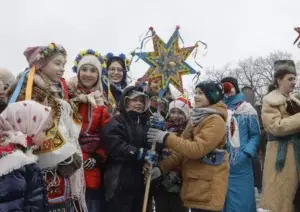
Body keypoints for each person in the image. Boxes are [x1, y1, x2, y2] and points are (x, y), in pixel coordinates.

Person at [8, 43, 87, 212]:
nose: (62, 69)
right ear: (42, 64)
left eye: (63, 65)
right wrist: (64, 156)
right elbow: (35, 130)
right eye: (57, 63)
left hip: (55, 170)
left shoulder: (50, 91)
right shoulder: (30, 92)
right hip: (41, 168)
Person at [147, 81, 229, 212]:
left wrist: (166, 137)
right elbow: (181, 152)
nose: (196, 96)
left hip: (208, 185)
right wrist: (161, 168)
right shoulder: (197, 119)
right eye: (195, 93)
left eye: (201, 93)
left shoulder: (215, 120)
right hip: (196, 184)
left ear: (212, 95)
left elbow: (197, 149)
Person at [68, 49, 110, 212]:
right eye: (84, 69)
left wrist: (98, 157)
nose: (88, 74)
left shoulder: (101, 103)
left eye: (93, 71)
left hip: (90, 168)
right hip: (68, 165)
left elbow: (106, 135)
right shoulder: (66, 96)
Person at [258, 60, 300, 212]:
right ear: (279, 80)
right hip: (281, 156)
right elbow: (275, 127)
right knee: (281, 200)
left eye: (295, 78)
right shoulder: (270, 101)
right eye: (290, 79)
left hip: (296, 153)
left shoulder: (294, 100)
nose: (294, 82)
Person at [101, 86, 151, 212]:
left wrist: (151, 152)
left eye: (141, 101)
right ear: (126, 101)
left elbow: (148, 144)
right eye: (135, 100)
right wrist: (136, 152)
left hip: (137, 176)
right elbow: (113, 143)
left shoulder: (144, 123)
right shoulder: (117, 120)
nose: (139, 103)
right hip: (119, 175)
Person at [0, 100, 53, 212]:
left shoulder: (18, 157)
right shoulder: (12, 164)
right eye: (43, 130)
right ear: (29, 127)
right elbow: (10, 205)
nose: (46, 136)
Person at [221, 77, 260, 212]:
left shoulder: (247, 109)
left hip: (242, 166)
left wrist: (246, 153)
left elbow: (255, 135)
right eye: (224, 88)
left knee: (242, 203)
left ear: (236, 87)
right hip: (221, 164)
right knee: (222, 202)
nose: (227, 90)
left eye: (229, 87)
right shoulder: (219, 110)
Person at [153, 97, 191, 212]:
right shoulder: (163, 128)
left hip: (181, 181)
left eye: (180, 112)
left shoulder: (189, 131)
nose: (175, 115)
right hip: (160, 177)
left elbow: (186, 152)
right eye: (173, 112)